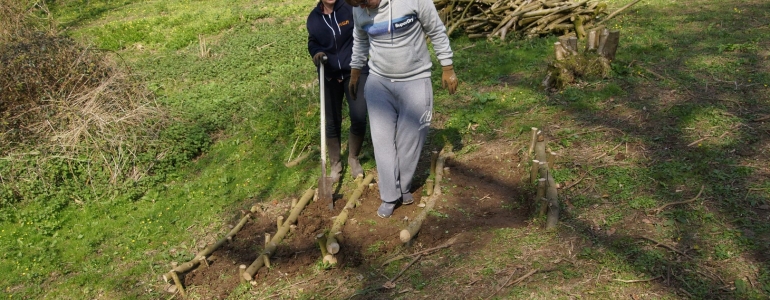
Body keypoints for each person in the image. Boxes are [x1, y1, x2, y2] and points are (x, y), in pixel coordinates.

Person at [345, 0, 458, 218]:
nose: (362, 8)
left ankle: (403, 186)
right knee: (382, 140)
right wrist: (356, 70)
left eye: (363, 1)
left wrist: (448, 66)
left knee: (411, 139)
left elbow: (435, 29)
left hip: (416, 78)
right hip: (379, 81)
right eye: (356, 3)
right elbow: (360, 39)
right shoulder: (359, 8)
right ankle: (389, 195)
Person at [307, 0, 370, 182]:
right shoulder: (314, 19)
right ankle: (335, 163)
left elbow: (362, 31)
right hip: (329, 75)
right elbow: (313, 41)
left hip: (355, 72)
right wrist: (316, 52)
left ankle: (353, 158)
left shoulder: (350, 8)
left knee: (358, 116)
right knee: (332, 121)